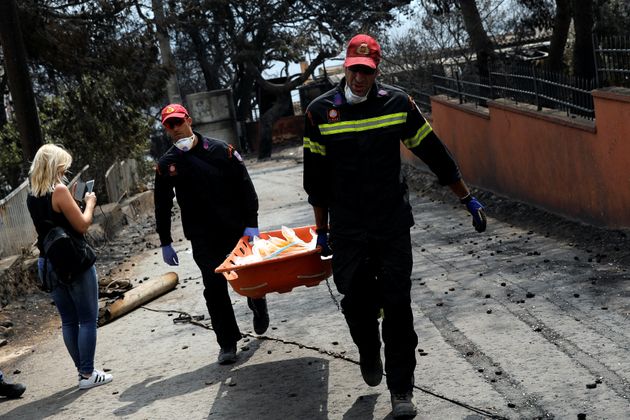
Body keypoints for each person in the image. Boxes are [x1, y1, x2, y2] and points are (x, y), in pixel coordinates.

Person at [302, 34, 487, 419]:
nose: (359, 78)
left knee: (398, 305)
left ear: (376, 71)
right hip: (348, 228)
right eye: (354, 69)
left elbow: (434, 152)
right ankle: (369, 351)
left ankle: (401, 389)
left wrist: (464, 197)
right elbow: (315, 180)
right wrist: (321, 231)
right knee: (356, 302)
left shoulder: (398, 104)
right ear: (346, 66)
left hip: (391, 223)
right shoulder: (319, 112)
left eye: (366, 72)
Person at [154, 103, 269, 365]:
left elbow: (245, 187)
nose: (175, 129)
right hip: (202, 237)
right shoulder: (166, 164)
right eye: (169, 125)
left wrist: (252, 223)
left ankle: (258, 303)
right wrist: (165, 241)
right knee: (214, 288)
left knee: (247, 277)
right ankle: (227, 342)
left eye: (178, 122)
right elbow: (161, 205)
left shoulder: (221, 151)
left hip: (235, 230)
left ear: (189, 121)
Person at [26, 144, 113, 390]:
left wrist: (72, 202)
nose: (65, 169)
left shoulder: (32, 194)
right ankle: (87, 374)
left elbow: (52, 221)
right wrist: (89, 202)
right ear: (55, 165)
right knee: (87, 319)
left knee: (68, 321)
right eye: (63, 164)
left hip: (48, 261)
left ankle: (82, 371)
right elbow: (83, 225)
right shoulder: (60, 191)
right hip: (73, 259)